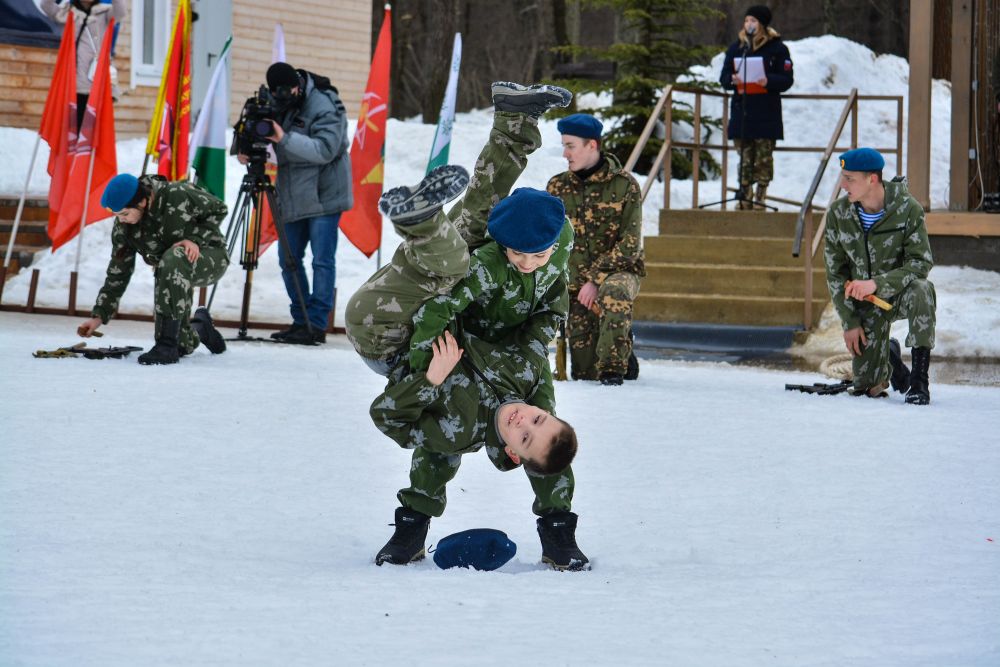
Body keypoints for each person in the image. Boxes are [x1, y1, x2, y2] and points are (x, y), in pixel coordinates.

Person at [347, 82, 589, 570]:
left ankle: (425, 231)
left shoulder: (457, 428)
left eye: (524, 435)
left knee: (440, 269)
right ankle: (515, 119)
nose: (528, 420)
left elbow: (406, 434)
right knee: (482, 213)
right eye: (538, 418)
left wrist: (427, 379)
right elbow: (548, 305)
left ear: (514, 453)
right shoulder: (529, 375)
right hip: (453, 304)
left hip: (390, 340)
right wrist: (532, 341)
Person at [239, 62, 352, 345]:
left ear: (297, 86)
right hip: (292, 194)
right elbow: (253, 124)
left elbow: (325, 150)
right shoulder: (276, 100)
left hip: (324, 195)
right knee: (288, 259)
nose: (282, 99)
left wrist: (282, 137)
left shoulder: (326, 104)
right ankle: (300, 318)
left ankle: (315, 325)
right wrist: (242, 142)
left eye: (287, 93)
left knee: (322, 261)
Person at [76, 173, 230, 365]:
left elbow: (219, 208)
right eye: (116, 216)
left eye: (124, 214)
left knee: (173, 257)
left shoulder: (177, 194)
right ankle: (200, 329)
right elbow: (118, 271)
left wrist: (195, 239)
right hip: (172, 268)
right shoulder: (124, 227)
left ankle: (166, 346)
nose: (121, 220)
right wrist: (98, 316)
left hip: (210, 255)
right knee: (182, 344)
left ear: (142, 201)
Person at [823, 148, 936, 404]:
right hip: (865, 306)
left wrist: (878, 283)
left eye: (849, 178)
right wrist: (850, 321)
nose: (843, 185)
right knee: (867, 388)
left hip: (899, 295)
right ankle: (891, 357)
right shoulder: (838, 215)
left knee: (922, 289)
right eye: (843, 177)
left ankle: (919, 382)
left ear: (872, 179)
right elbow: (835, 273)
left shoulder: (908, 209)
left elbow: (920, 262)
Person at [546, 113, 645, 385]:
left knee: (613, 292)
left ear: (592, 145)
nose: (565, 153)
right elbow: (549, 239)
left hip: (619, 272)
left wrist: (595, 279)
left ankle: (614, 373)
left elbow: (631, 245)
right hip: (575, 283)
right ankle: (622, 345)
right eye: (564, 145)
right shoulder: (557, 187)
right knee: (584, 371)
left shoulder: (625, 185)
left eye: (571, 146)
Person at [718, 5, 794, 210]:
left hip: (765, 112)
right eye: (746, 21)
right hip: (742, 111)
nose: (749, 25)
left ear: (762, 24)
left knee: (762, 159)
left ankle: (760, 195)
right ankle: (745, 194)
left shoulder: (777, 49)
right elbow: (723, 78)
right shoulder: (737, 48)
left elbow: (787, 79)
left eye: (754, 21)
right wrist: (732, 79)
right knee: (744, 157)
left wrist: (767, 80)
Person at [41, 0, 126, 128]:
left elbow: (121, 11)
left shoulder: (105, 12)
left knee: (88, 135)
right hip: (70, 84)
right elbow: (46, 5)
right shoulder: (66, 11)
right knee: (68, 133)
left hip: (94, 85)